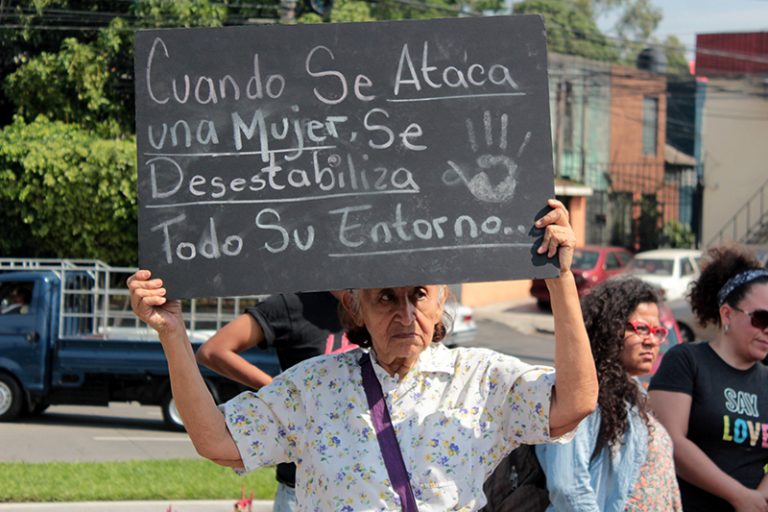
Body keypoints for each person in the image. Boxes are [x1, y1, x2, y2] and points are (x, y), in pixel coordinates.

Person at [128, 199, 599, 510]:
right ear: (357, 309)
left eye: (418, 294)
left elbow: (574, 402)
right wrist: (172, 333)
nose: (405, 313)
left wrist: (560, 280)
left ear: (441, 301)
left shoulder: (479, 378)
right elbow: (216, 441)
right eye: (386, 298)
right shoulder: (313, 388)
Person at [195, 291, 352, 511]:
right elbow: (213, 351)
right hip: (300, 492)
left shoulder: (375, 302)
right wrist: (278, 391)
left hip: (368, 491)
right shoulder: (294, 305)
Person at [535, 277, 682, 511]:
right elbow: (567, 485)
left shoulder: (633, 393)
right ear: (609, 329)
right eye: (641, 329)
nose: (652, 341)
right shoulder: (584, 393)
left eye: (657, 331)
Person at [649, 245, 768, 511]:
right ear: (727, 314)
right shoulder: (687, 361)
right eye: (761, 318)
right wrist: (739, 496)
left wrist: (759, 498)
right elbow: (670, 441)